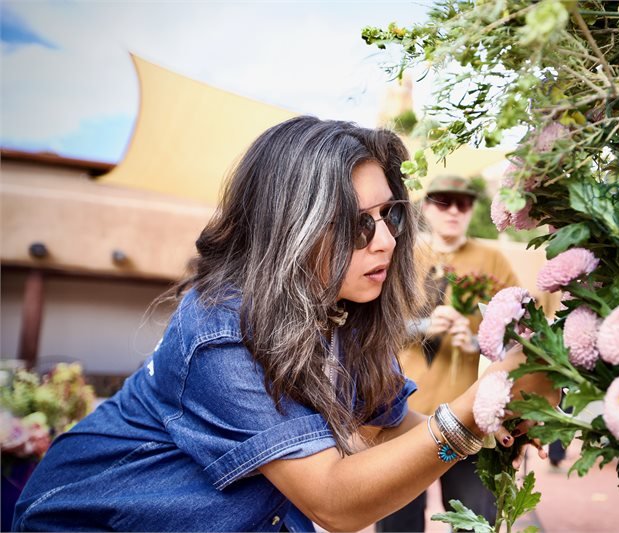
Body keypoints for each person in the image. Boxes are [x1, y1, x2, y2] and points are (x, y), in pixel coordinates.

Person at [12, 117, 558, 532]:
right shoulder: (224, 328)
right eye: (354, 223)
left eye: (386, 216)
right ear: (290, 227)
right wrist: (472, 409)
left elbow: (389, 426)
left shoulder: (343, 314)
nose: (387, 241)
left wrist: (498, 420)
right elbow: (333, 499)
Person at [378, 175, 523, 532]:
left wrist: (475, 339)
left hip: (471, 420)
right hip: (402, 416)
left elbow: (521, 336)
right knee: (398, 525)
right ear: (427, 207)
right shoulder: (400, 255)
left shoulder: (492, 259)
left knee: (475, 524)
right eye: (444, 201)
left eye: (463, 203)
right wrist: (423, 326)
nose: (454, 210)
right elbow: (372, 330)